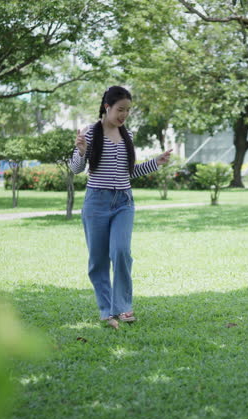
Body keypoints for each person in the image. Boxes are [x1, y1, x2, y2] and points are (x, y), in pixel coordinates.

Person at [70, 86, 172, 329]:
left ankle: (124, 307)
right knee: (98, 260)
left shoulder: (128, 136)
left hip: (124, 202)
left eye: (128, 110)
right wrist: (81, 151)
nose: (124, 115)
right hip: (96, 202)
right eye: (120, 109)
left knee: (121, 252)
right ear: (107, 107)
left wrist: (155, 163)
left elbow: (130, 173)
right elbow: (76, 169)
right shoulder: (90, 134)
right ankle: (107, 311)